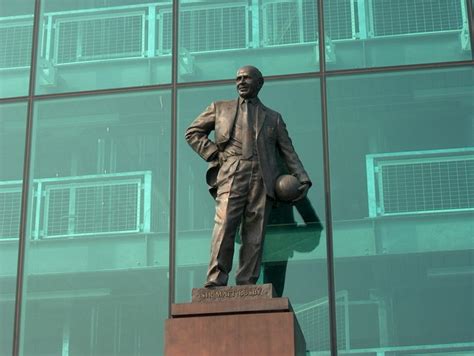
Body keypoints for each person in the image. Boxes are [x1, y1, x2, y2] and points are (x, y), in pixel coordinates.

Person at [185, 65, 311, 287]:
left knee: (255, 231)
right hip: (232, 170)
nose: (241, 82)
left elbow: (288, 151)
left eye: (246, 78)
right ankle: (215, 279)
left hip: (262, 176)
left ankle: (247, 282)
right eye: (238, 78)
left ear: (259, 83)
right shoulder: (219, 107)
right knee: (224, 224)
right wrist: (214, 153)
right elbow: (193, 132)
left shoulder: (273, 118)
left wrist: (302, 178)